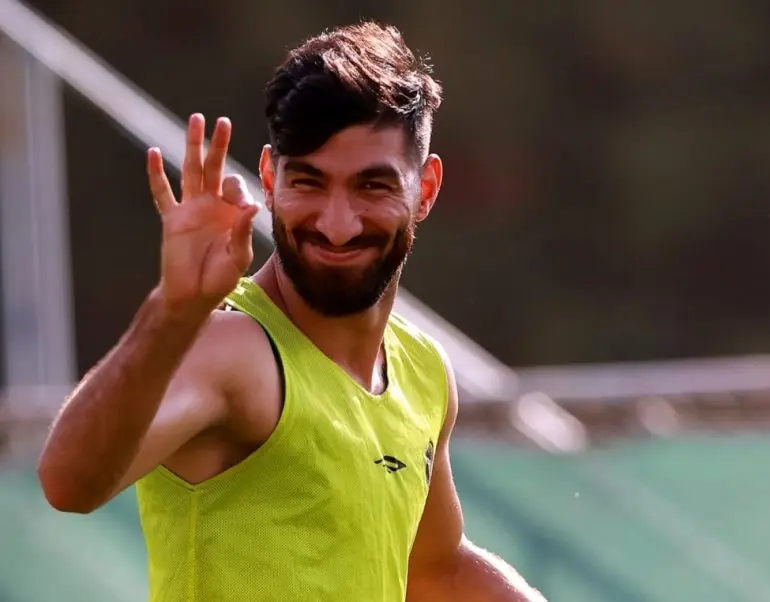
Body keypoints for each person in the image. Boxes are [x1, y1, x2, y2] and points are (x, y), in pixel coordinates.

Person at [37, 21, 545, 602]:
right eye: (309, 182)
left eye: (372, 187)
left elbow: (435, 569)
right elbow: (68, 484)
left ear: (425, 190)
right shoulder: (230, 346)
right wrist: (172, 312)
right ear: (270, 179)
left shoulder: (422, 368)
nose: (337, 224)